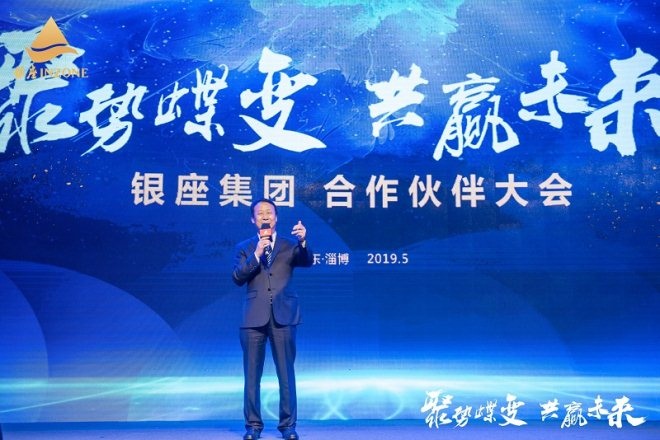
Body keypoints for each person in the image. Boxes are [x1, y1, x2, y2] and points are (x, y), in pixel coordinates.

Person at [232, 199, 314, 440]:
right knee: (251, 376)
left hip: (284, 314)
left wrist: (303, 241)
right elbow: (237, 277)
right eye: (260, 213)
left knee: (286, 374)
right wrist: (257, 254)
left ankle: (288, 426)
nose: (265, 216)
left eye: (269, 212)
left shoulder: (290, 245)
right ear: (253, 219)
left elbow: (307, 261)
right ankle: (253, 427)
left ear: (276, 217)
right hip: (253, 318)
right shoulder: (245, 247)